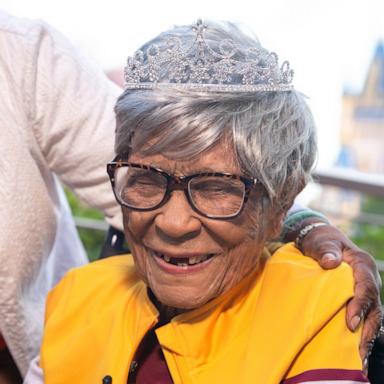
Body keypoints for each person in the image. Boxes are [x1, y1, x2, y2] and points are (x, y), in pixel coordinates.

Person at [29, 20, 378, 383]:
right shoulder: (77, 295)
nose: (172, 223)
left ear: (280, 203)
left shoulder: (318, 301)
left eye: (216, 188)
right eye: (146, 179)